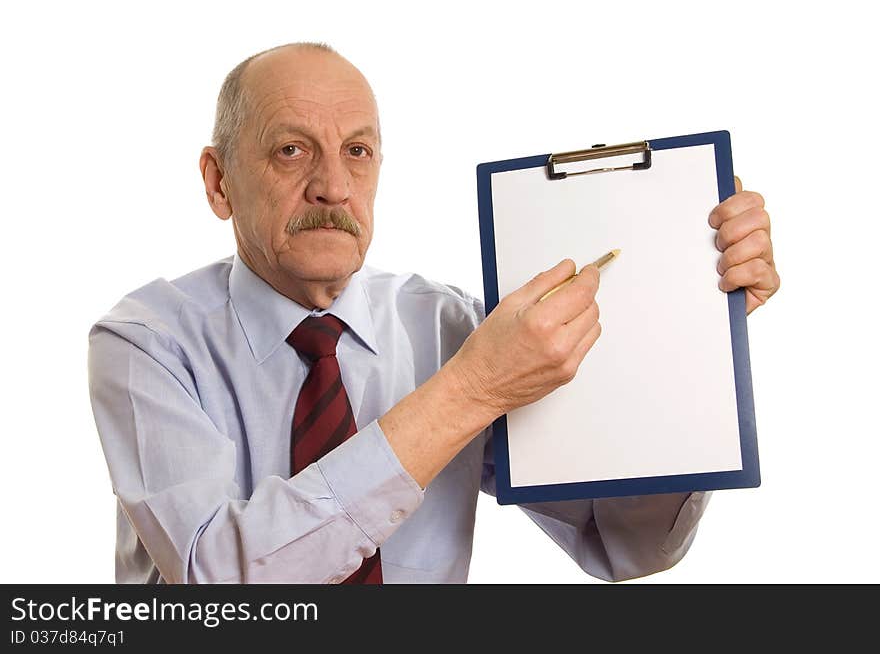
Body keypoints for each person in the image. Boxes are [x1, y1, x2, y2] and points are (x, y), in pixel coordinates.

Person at [87, 42, 780, 584]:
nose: (333, 186)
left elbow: (624, 542)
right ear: (218, 181)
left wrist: (693, 326)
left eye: (357, 152)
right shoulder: (147, 341)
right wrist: (470, 391)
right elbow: (218, 583)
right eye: (291, 150)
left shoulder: (447, 326)